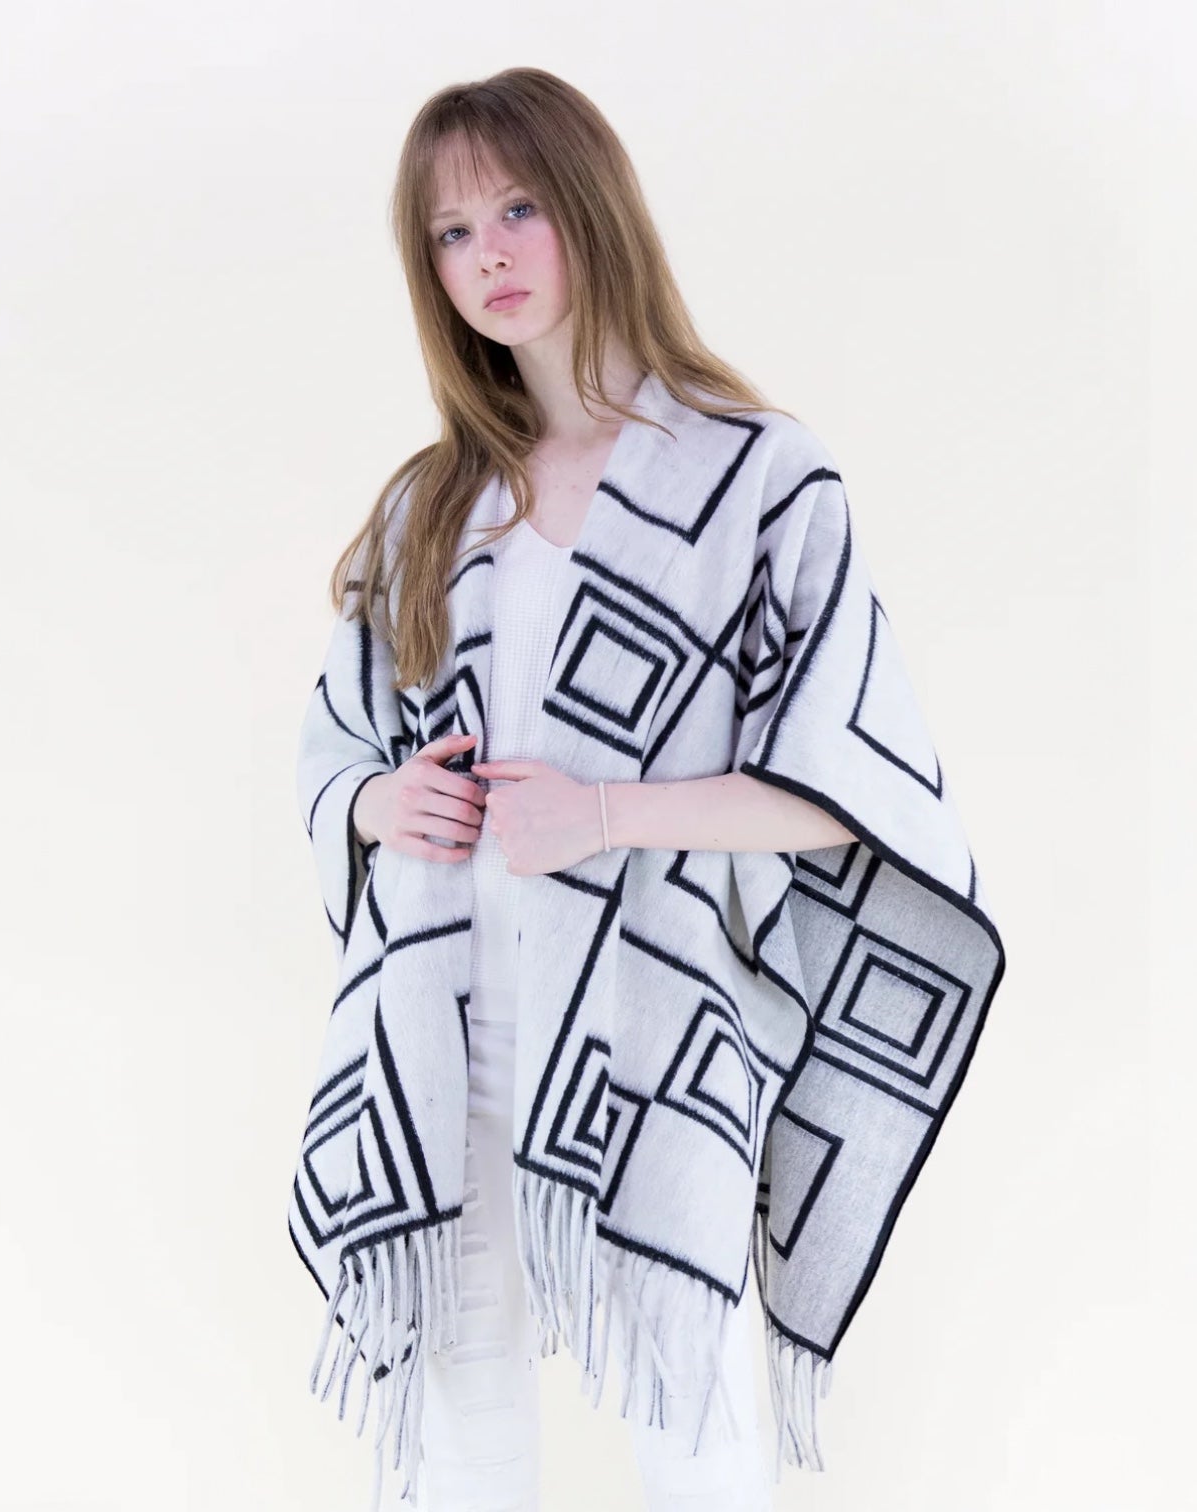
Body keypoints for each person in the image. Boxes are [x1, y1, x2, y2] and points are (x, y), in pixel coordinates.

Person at [306, 68, 863, 1511]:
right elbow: (338, 748)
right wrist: (378, 806)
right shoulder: (430, 506)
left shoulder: (757, 479)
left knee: (695, 1423)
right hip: (446, 1023)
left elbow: (839, 786)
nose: (486, 254)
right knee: (458, 1442)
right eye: (449, 233)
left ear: (592, 206)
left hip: (658, 1018)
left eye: (517, 208)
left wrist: (606, 816)